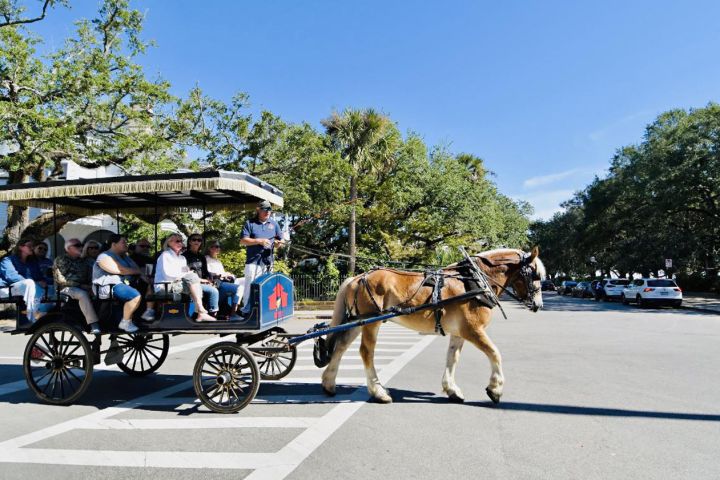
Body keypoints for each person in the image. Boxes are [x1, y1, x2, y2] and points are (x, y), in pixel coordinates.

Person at [153, 233, 216, 322]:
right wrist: (185, 275)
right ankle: (201, 312)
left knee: (195, 282)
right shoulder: (165, 255)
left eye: (181, 241)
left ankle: (198, 313)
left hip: (178, 284)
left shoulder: (182, 258)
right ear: (169, 243)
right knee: (193, 278)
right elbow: (168, 274)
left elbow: (185, 272)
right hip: (165, 286)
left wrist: (186, 275)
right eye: (177, 241)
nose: (180, 243)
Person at [91, 234, 144, 333]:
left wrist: (143, 277)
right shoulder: (104, 256)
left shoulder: (125, 257)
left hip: (122, 283)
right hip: (108, 286)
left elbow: (136, 269)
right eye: (123, 242)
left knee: (146, 290)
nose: (126, 244)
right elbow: (120, 270)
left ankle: (142, 318)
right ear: (114, 244)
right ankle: (126, 322)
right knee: (134, 296)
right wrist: (136, 271)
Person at [239, 200, 284, 315]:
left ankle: (265, 311)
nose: (268, 212)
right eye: (265, 209)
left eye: (269, 209)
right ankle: (247, 310)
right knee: (250, 286)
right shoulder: (250, 223)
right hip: (253, 261)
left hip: (268, 262)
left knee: (268, 287)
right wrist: (260, 241)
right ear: (258, 210)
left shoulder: (274, 224)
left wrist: (279, 243)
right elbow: (243, 241)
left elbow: (280, 240)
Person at [54, 238, 101, 334]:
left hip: (83, 287)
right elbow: (60, 280)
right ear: (68, 248)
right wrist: (80, 285)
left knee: (104, 293)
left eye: (81, 245)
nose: (81, 247)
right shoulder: (61, 259)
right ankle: (93, 324)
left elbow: (91, 275)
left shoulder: (84, 261)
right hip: (65, 288)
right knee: (82, 294)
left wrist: (91, 286)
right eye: (77, 245)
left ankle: (106, 320)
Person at [0, 238, 42, 322]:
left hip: (23, 289)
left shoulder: (32, 263)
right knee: (30, 283)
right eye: (29, 246)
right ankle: (31, 314)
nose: (32, 248)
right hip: (5, 289)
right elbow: (11, 276)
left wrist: (44, 281)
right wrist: (32, 281)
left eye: (33, 246)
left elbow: (38, 276)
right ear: (21, 247)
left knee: (41, 287)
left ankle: (44, 313)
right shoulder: (7, 260)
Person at [182, 234, 220, 317]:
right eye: (194, 240)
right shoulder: (184, 256)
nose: (196, 241)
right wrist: (203, 281)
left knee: (220, 286)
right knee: (213, 291)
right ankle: (212, 314)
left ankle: (225, 313)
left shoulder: (201, 257)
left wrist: (211, 280)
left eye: (199, 240)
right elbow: (187, 274)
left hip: (203, 282)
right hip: (191, 283)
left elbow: (206, 272)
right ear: (189, 242)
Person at [205, 240, 243, 318]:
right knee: (239, 288)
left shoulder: (218, 261)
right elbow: (208, 273)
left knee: (242, 283)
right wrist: (221, 275)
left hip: (222, 282)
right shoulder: (206, 259)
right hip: (216, 283)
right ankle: (233, 313)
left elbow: (222, 273)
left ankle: (239, 310)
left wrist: (228, 275)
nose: (217, 248)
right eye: (215, 246)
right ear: (209, 248)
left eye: (218, 247)